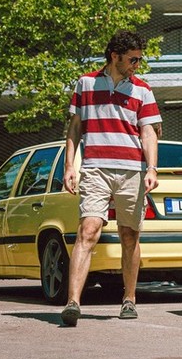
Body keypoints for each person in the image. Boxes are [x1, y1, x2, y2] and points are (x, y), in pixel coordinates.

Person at [60, 30, 162, 326]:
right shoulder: (86, 83)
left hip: (132, 171)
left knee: (129, 235)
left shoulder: (143, 90)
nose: (137, 65)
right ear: (115, 56)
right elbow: (75, 127)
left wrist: (152, 168)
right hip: (95, 168)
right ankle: (73, 302)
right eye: (133, 59)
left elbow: (148, 133)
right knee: (88, 231)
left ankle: (129, 298)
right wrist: (70, 166)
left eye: (139, 59)